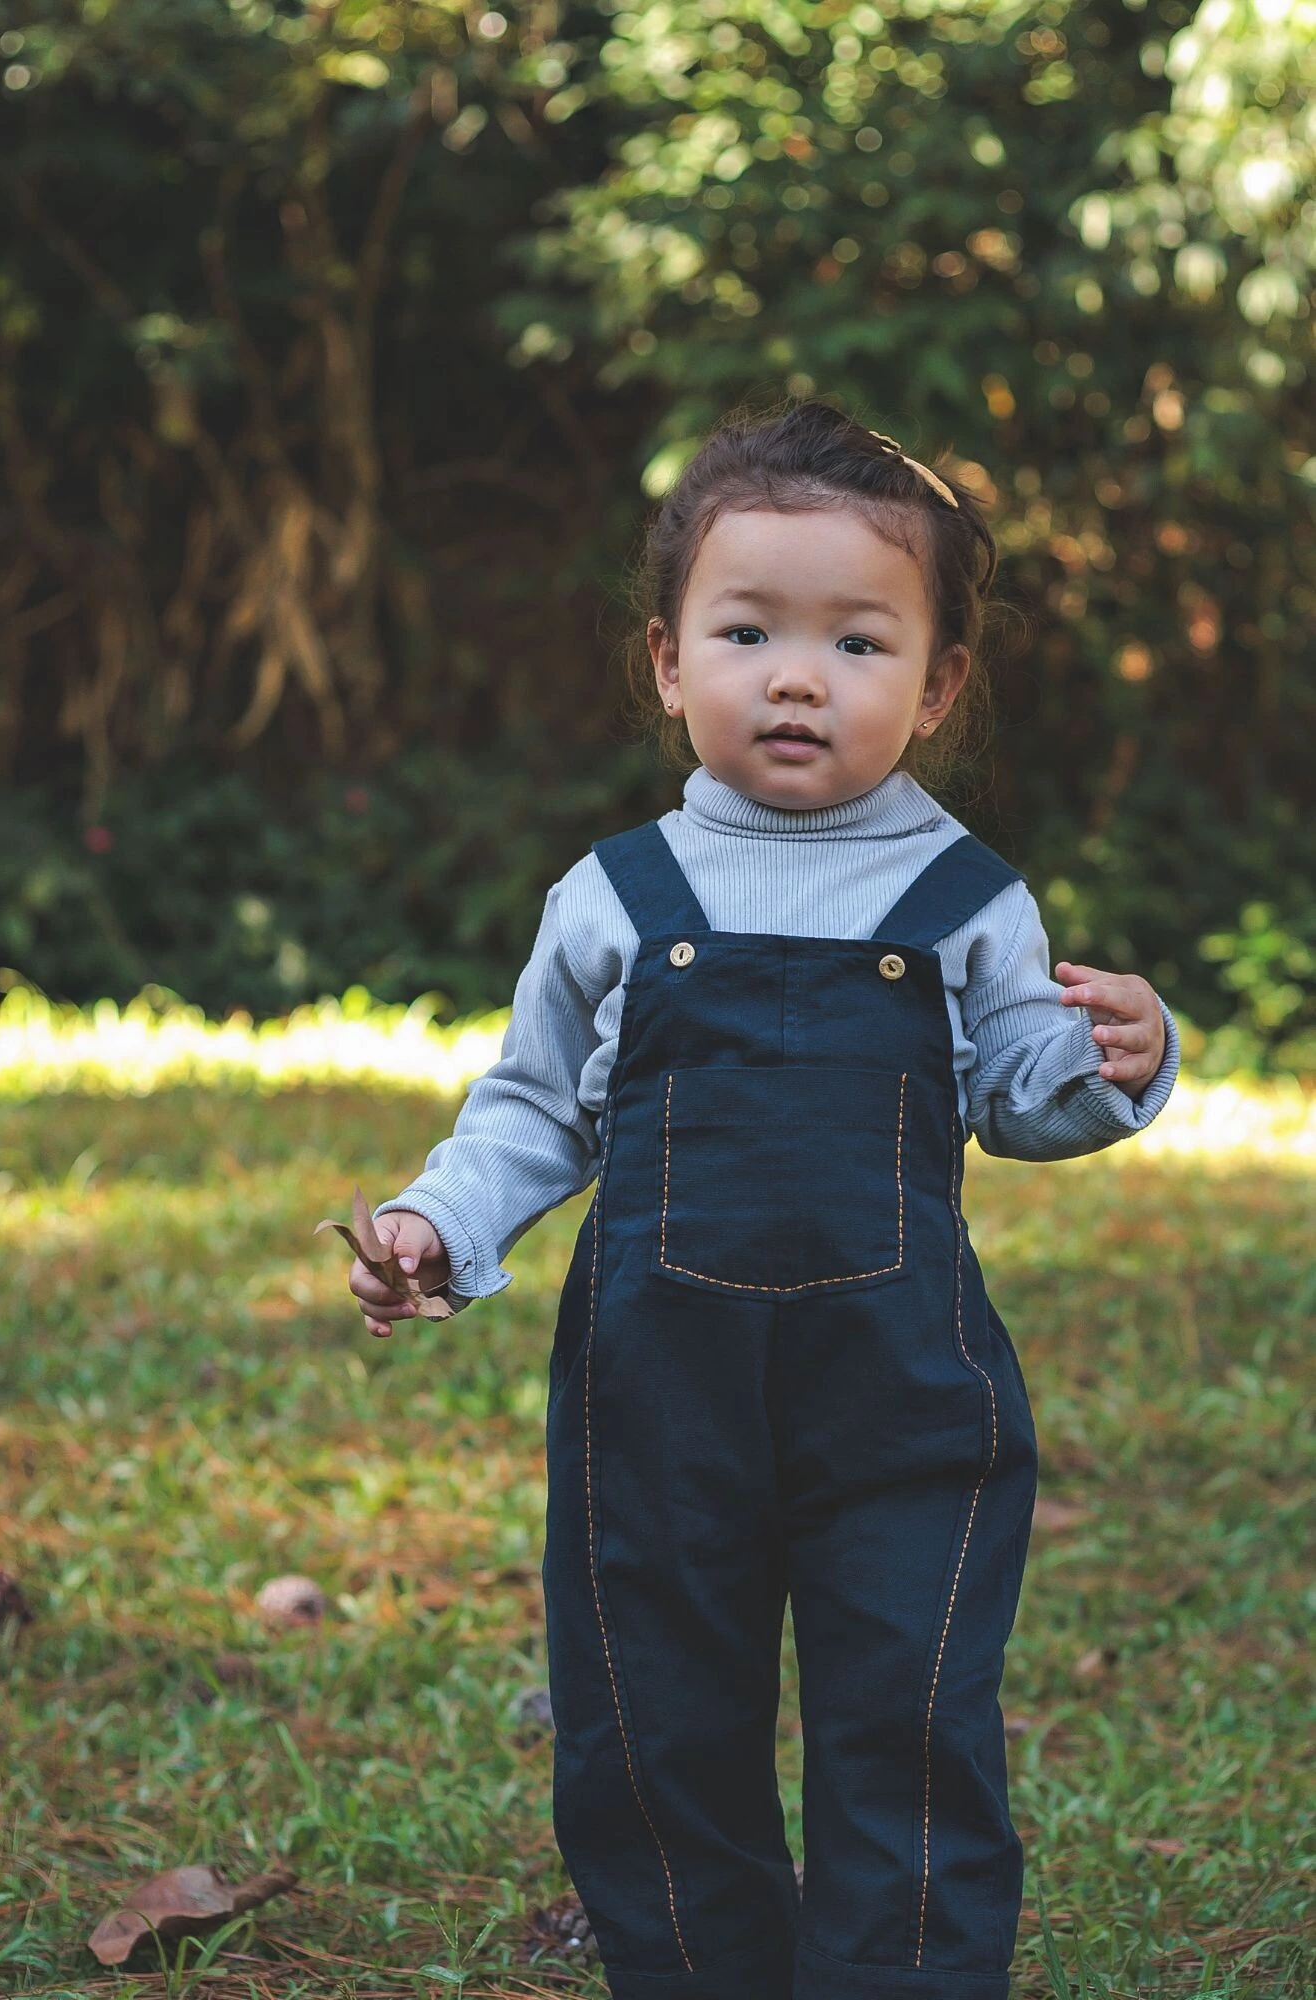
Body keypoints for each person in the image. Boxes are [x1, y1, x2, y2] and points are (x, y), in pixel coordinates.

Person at [348, 401, 1178, 2000]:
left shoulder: (963, 900)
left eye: (859, 642)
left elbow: (1022, 1093)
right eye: (748, 632)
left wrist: (1117, 1065)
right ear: (670, 662)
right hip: (657, 1411)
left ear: (936, 687)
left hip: (907, 1414)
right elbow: (531, 1107)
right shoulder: (615, 898)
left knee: (912, 1719)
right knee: (649, 1726)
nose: (797, 676)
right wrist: (438, 1223)